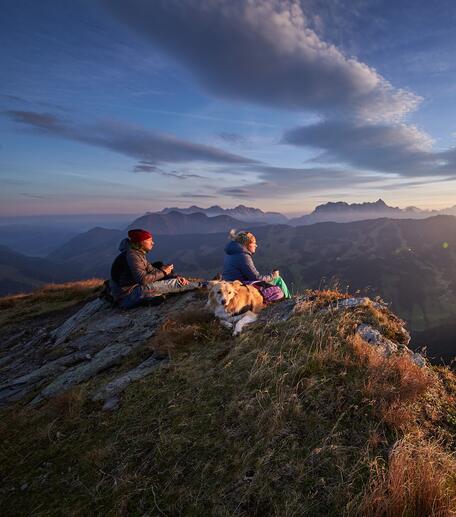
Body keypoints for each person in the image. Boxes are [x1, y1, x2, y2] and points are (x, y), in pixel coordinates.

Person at [110, 228, 202, 309]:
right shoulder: (132, 256)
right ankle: (205, 285)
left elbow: (152, 271)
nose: (153, 243)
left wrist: (173, 276)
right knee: (175, 284)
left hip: (131, 291)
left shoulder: (137, 253)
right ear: (141, 242)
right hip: (128, 295)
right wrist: (164, 273)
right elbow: (143, 279)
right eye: (149, 240)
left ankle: (150, 298)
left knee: (165, 271)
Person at [222, 230, 290, 298]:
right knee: (278, 279)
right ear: (247, 244)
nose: (256, 245)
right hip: (241, 289)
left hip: (231, 287)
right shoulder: (243, 256)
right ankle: (288, 301)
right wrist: (273, 276)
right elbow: (256, 278)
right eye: (254, 243)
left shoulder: (231, 254)